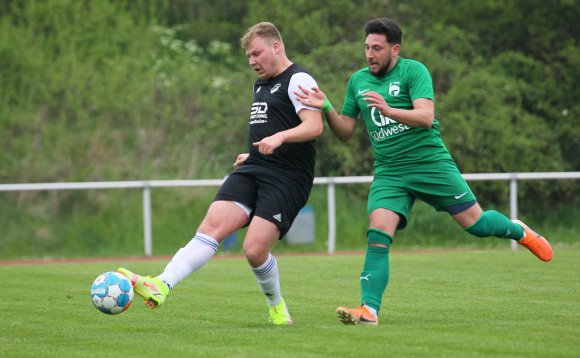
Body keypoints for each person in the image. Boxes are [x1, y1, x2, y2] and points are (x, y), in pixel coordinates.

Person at [294, 17, 552, 326]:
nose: (369, 55)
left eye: (377, 48)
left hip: (429, 164)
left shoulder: (414, 71)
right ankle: (369, 310)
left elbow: (426, 117)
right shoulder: (358, 81)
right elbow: (346, 131)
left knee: (478, 225)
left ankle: (518, 230)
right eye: (366, 48)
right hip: (390, 171)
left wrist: (389, 110)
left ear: (395, 49)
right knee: (378, 233)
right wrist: (327, 108)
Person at [118, 22, 323, 325]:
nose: (252, 61)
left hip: (288, 177)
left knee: (254, 251)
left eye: (256, 53)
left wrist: (279, 138)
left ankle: (276, 305)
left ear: (276, 46)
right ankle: (161, 284)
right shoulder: (261, 84)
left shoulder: (299, 79)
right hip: (255, 168)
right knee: (210, 227)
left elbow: (314, 126)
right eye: (248, 57)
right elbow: (269, 126)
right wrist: (252, 153)